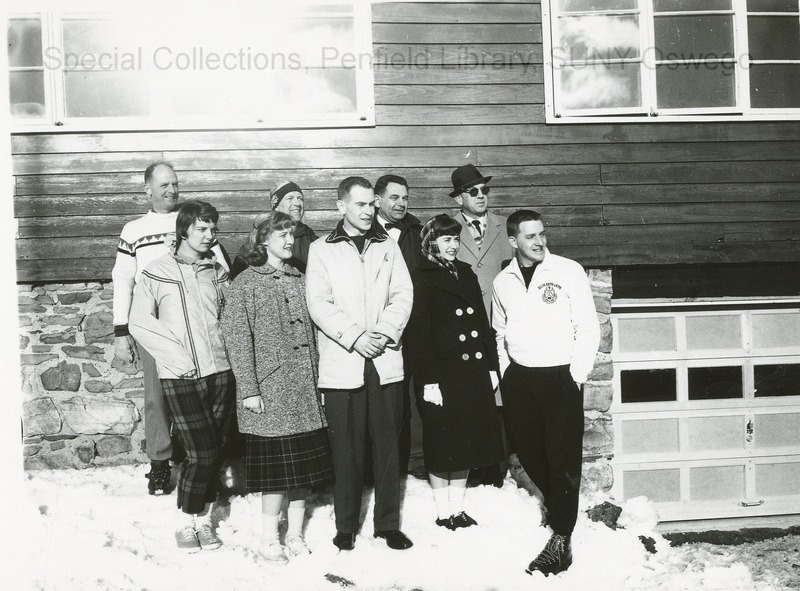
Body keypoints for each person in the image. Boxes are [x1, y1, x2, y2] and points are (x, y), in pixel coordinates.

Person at [305, 176, 414, 552]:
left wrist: (382, 333)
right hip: (344, 360)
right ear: (341, 207)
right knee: (347, 449)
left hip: (384, 359)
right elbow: (319, 304)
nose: (368, 211)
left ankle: (387, 524)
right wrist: (355, 336)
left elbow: (403, 294)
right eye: (360, 205)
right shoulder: (322, 249)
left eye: (371, 204)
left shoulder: (389, 245)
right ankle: (346, 525)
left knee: (388, 447)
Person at [491, 210, 600, 576]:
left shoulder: (567, 271)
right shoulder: (502, 280)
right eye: (530, 237)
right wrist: (507, 374)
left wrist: (576, 375)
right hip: (521, 379)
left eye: (542, 234)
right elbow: (498, 332)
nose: (539, 242)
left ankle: (561, 540)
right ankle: (557, 515)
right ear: (513, 241)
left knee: (562, 459)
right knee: (533, 455)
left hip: (560, 378)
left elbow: (588, 327)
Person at [221, 211, 333, 565]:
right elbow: (238, 341)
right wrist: (250, 389)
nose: (289, 241)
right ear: (262, 240)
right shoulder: (245, 284)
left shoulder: (301, 279)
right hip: (270, 392)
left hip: (305, 389)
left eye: (292, 234)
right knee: (275, 474)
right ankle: (270, 538)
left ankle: (296, 535)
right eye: (281, 234)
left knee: (302, 471)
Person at [112, 162, 229, 496]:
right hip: (155, 323)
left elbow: (218, 269)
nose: (171, 190)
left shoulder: (193, 221)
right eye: (163, 185)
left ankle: (206, 463)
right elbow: (123, 280)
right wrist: (122, 331)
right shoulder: (134, 229)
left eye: (175, 184)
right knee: (157, 398)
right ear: (147, 188)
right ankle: (160, 463)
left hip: (197, 321)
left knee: (207, 395)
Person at [129, 200, 235, 553]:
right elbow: (140, 323)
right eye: (202, 229)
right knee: (200, 452)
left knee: (214, 450)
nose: (209, 235)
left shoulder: (217, 272)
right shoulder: (157, 272)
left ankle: (203, 522)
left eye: (213, 229)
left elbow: (228, 320)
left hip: (220, 371)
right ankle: (186, 522)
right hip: (181, 375)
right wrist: (177, 359)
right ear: (184, 231)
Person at [404, 214, 504, 530]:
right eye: (446, 239)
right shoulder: (420, 275)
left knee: (464, 441)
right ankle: (443, 510)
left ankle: (457, 509)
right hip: (441, 374)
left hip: (471, 371)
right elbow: (418, 333)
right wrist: (429, 380)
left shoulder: (465, 273)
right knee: (441, 440)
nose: (453, 245)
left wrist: (491, 366)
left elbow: (481, 325)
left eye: (456, 239)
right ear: (431, 241)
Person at [449, 163, 512, 488]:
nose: (481, 196)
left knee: (499, 395)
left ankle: (497, 468)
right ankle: (472, 467)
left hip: (500, 322)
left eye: (484, 190)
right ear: (460, 197)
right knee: (471, 393)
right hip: (466, 326)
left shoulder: (504, 227)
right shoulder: (448, 229)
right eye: (473, 191)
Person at [372, 174, 426, 481]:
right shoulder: (365, 230)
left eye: (405, 197)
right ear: (378, 200)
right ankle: (383, 458)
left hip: (413, 324)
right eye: (394, 197)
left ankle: (416, 456)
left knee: (413, 391)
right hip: (378, 325)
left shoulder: (417, 232)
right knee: (383, 392)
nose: (401, 203)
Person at [230, 180, 318, 278]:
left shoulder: (315, 242)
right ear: (276, 206)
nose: (297, 203)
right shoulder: (256, 241)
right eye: (290, 198)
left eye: (300, 198)